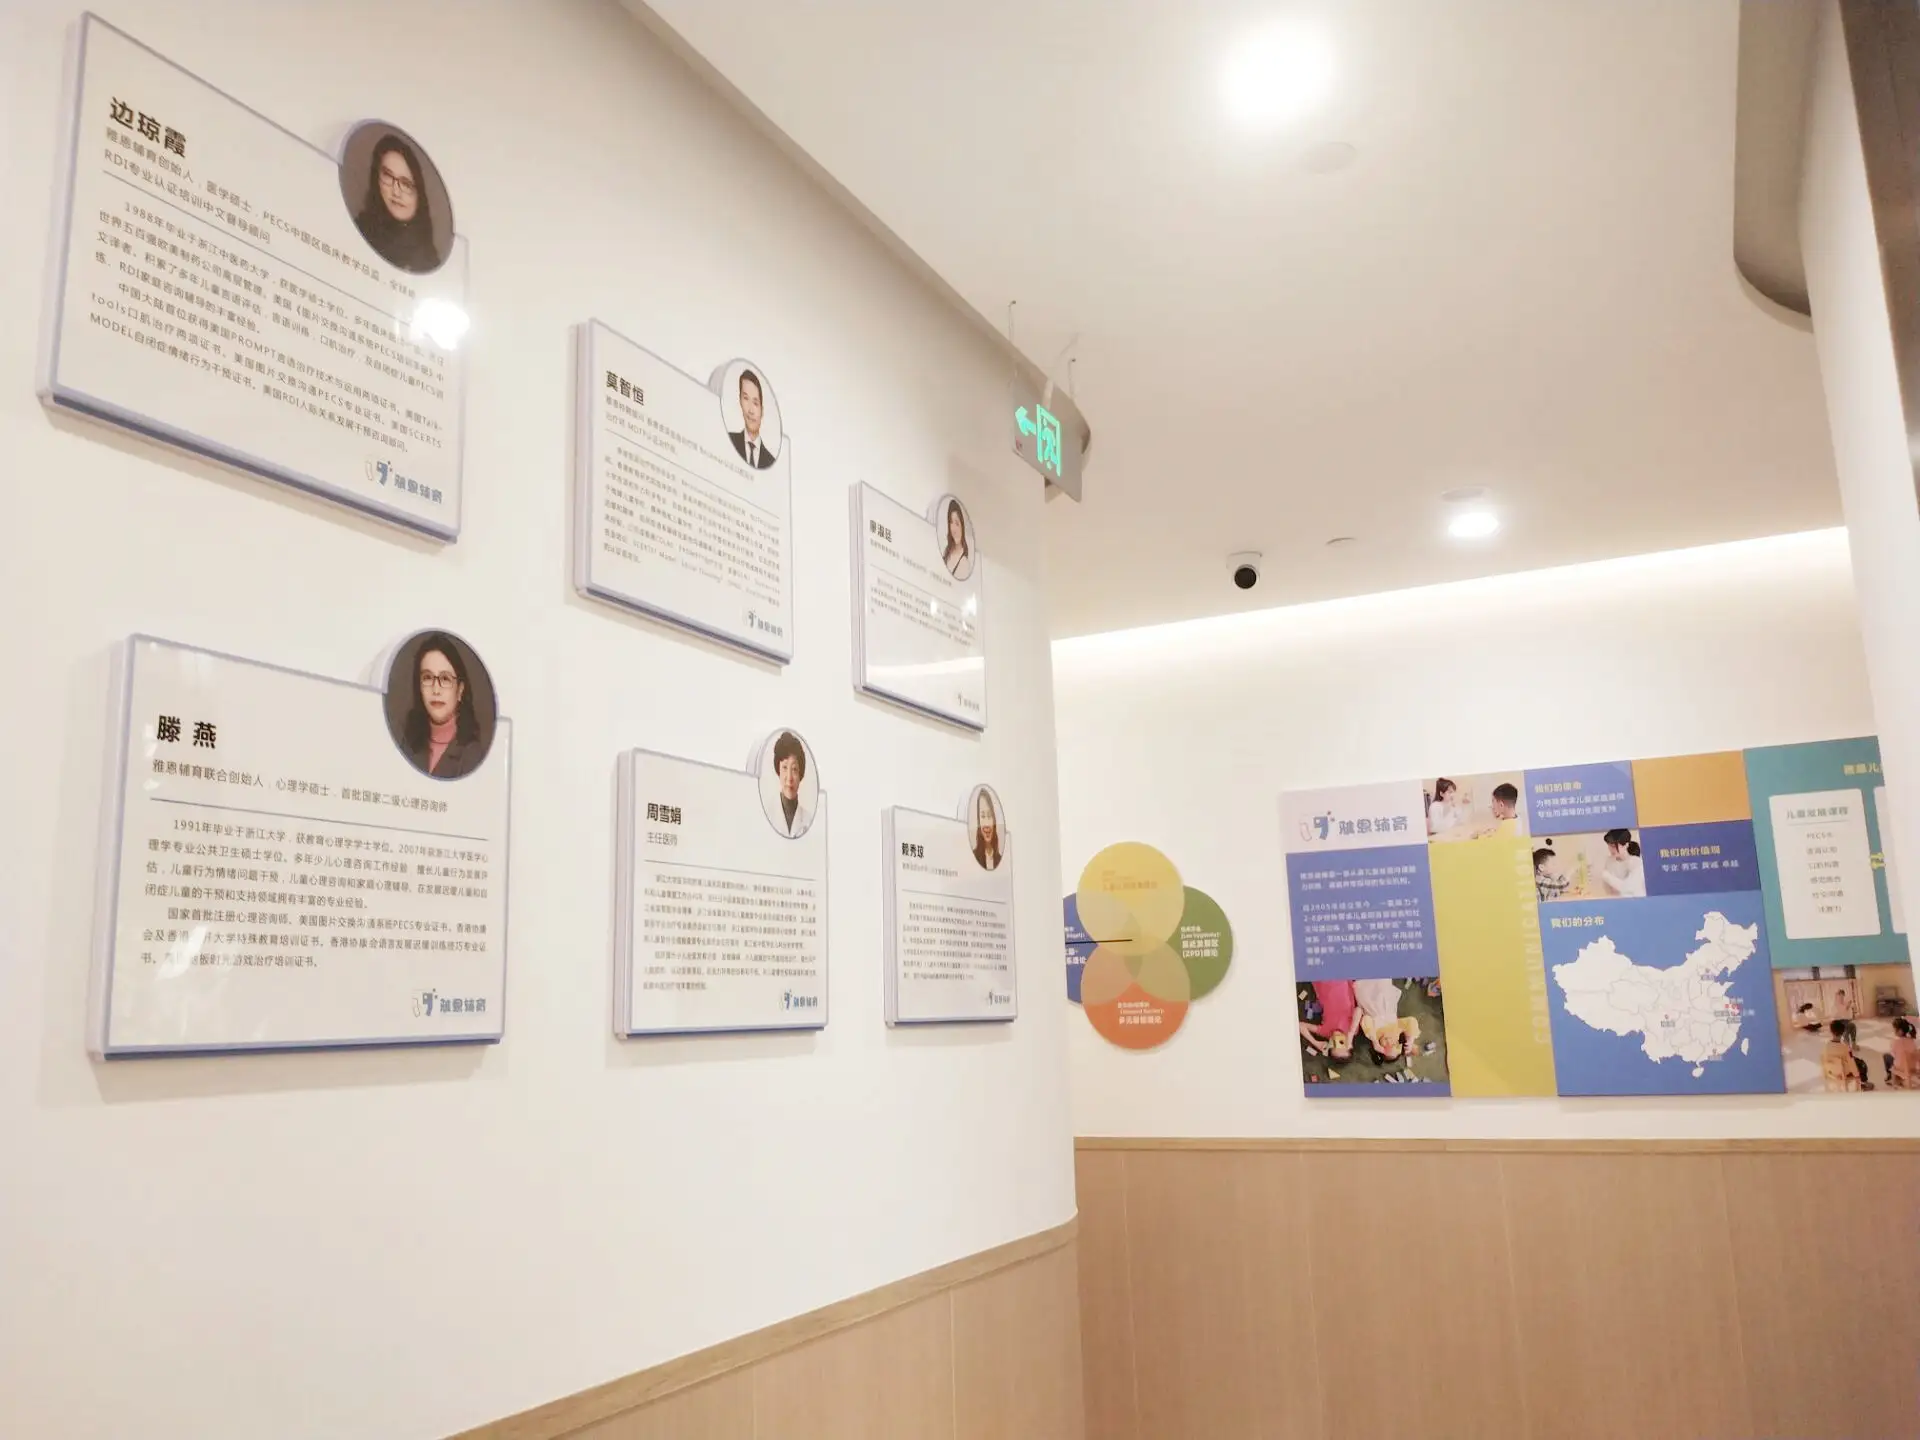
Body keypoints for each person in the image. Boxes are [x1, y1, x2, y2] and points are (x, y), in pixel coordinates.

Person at [400, 633, 485, 779]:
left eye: (445, 679)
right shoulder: (408, 744)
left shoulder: (472, 756)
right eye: (427, 677)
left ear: (460, 690)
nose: (435, 690)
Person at [354, 134, 441, 274]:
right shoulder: (357, 231)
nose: (396, 192)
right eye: (388, 176)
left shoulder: (429, 261)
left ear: (420, 194)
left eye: (406, 184)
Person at [728, 369, 777, 469]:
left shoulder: (771, 462)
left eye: (755, 403)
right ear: (740, 401)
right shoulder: (729, 441)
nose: (750, 410)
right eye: (746, 398)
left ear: (762, 410)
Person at [769, 730, 812, 837]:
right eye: (784, 767)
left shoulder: (809, 820)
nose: (789, 778)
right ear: (778, 770)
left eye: (794, 769)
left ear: (801, 774)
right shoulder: (768, 814)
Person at [1599, 829, 1646, 898]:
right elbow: (1607, 890)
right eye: (1609, 845)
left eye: (1613, 846)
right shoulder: (1609, 861)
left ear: (1626, 845)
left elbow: (1628, 889)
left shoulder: (1636, 863)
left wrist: (1606, 876)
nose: (1610, 849)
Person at [972, 790, 1003, 870]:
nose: (986, 824)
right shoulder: (973, 856)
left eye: (989, 816)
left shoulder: (1000, 859)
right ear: (979, 821)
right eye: (982, 816)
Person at [941, 499, 972, 580]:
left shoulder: (964, 563)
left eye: (957, 524)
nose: (954, 529)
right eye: (951, 523)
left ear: (962, 527)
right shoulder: (947, 551)